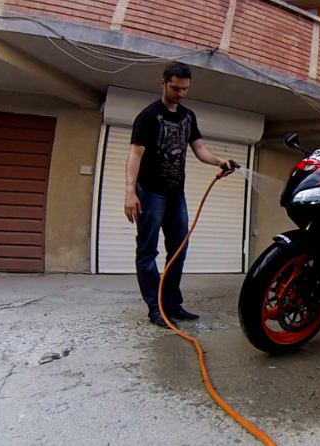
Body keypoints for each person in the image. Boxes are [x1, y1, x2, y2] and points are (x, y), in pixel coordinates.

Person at [124, 62, 234, 328]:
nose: (180, 93)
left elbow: (199, 149)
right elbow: (134, 155)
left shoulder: (188, 116)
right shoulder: (148, 116)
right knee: (147, 251)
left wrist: (219, 160)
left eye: (184, 89)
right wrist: (130, 192)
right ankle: (155, 307)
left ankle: (172, 304)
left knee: (178, 250)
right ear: (163, 83)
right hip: (150, 194)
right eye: (175, 87)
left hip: (176, 196)